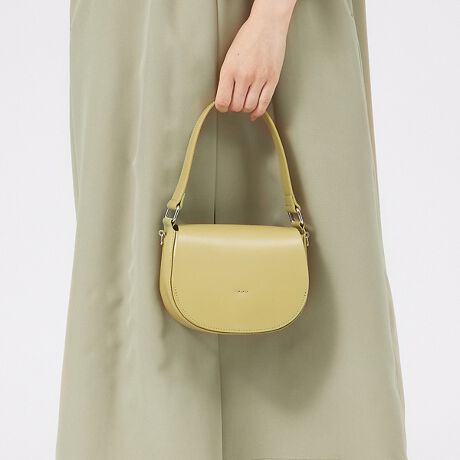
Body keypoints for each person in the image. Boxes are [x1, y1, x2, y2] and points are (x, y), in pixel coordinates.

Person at [56, 1, 408, 459]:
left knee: (324, 249)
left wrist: (270, 19)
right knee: (133, 264)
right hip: (129, 21)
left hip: (289, 17)